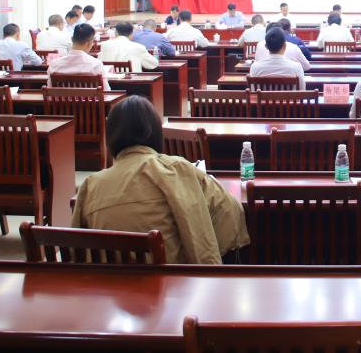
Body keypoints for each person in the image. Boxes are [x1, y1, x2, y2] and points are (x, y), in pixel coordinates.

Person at [72, 95, 249, 264]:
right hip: (172, 282)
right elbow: (230, 212)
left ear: (110, 137)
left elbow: (75, 249)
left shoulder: (90, 185)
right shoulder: (176, 169)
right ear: (156, 132)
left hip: (109, 284)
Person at [48, 23, 110, 90]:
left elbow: (49, 90)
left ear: (72, 39)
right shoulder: (96, 65)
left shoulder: (54, 64)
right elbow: (106, 91)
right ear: (89, 44)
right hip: (89, 97)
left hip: (61, 97)